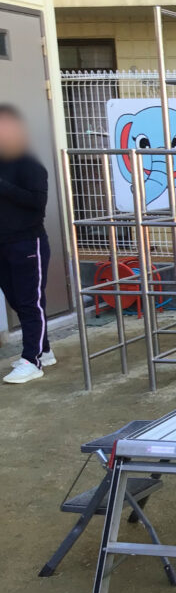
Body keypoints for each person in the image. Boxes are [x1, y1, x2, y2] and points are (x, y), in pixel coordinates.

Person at [0, 104, 56, 384]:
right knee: (17, 301)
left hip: (27, 242)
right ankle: (42, 349)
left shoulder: (30, 165)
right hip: (3, 243)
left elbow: (37, 204)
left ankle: (31, 360)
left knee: (30, 302)